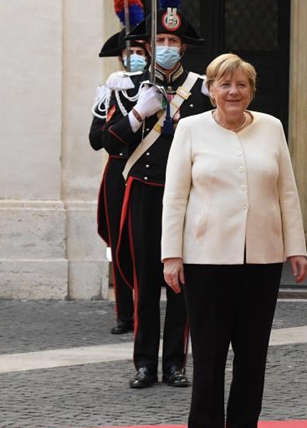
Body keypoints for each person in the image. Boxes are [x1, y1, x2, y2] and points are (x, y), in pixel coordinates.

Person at [161, 53, 307, 428]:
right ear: (210, 90)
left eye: (241, 84)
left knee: (252, 349)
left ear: (251, 91)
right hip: (205, 257)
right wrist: (171, 255)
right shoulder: (189, 129)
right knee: (209, 349)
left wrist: (295, 247)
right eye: (224, 84)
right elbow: (175, 197)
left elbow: (287, 191)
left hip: (262, 256)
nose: (233, 91)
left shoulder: (271, 127)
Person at [102, 3, 211, 389]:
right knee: (146, 281)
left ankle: (175, 364)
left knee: (181, 281)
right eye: (159, 40)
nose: (165, 46)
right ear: (147, 47)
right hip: (145, 195)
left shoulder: (202, 89)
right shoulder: (127, 86)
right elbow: (105, 142)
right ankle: (145, 363)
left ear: (183, 48)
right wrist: (135, 115)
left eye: (172, 40)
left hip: (186, 198)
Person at [92, 4, 147, 335]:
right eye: (130, 52)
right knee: (119, 243)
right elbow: (96, 139)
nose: (135, 57)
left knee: (146, 245)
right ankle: (124, 313)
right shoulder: (108, 92)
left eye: (141, 51)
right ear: (121, 58)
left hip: (147, 173)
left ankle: (146, 310)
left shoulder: (155, 91)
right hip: (117, 174)